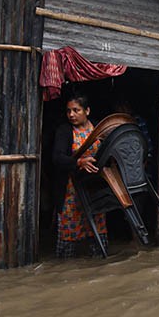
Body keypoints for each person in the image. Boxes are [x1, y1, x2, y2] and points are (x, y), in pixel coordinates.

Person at [52, 94, 108, 257]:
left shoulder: (98, 128)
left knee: (96, 226)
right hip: (71, 190)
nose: (71, 115)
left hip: (94, 189)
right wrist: (78, 162)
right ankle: (65, 268)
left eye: (76, 110)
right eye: (69, 111)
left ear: (87, 111)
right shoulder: (65, 131)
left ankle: (98, 266)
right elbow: (57, 158)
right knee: (69, 229)